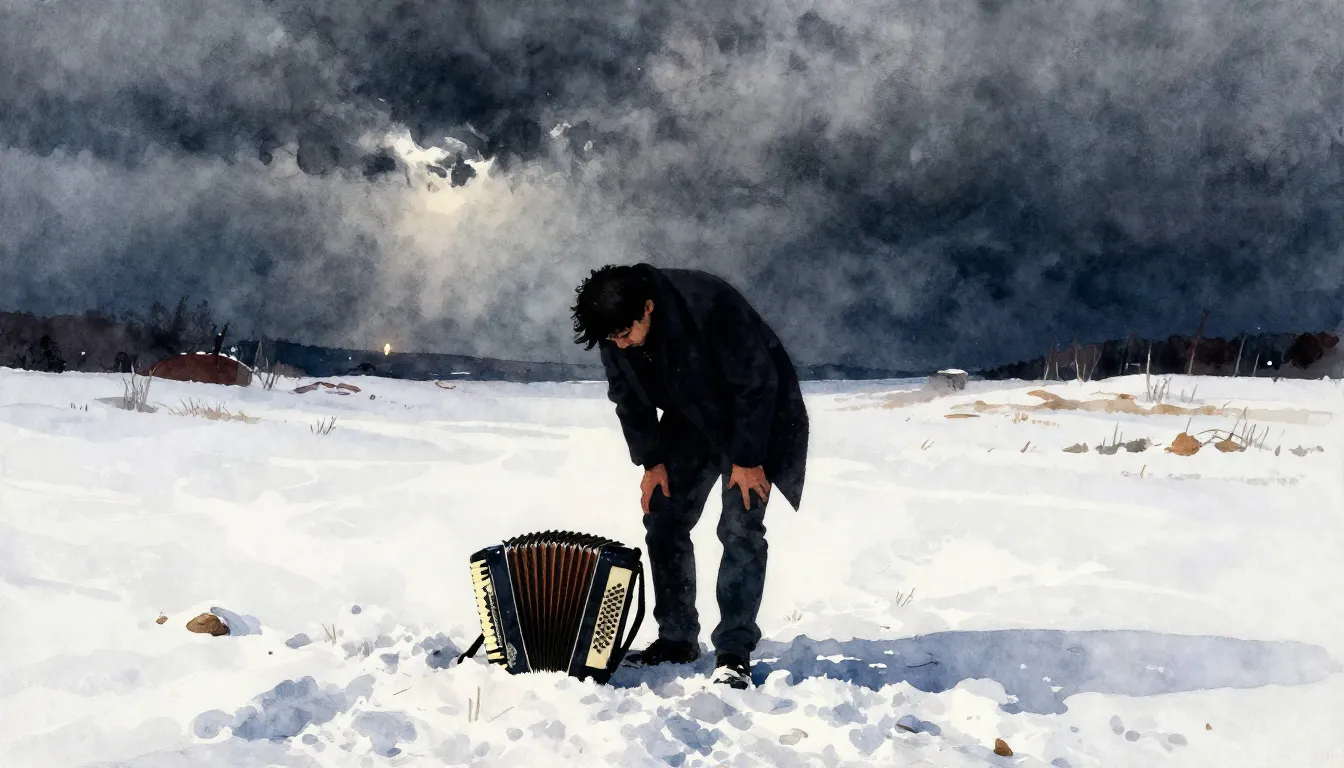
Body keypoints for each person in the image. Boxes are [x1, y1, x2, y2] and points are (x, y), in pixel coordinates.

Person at [571, 263, 809, 689]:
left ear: (648, 307)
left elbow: (757, 383)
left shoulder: (709, 301)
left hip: (756, 418)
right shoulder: (614, 329)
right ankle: (677, 639)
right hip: (691, 419)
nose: (620, 345)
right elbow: (627, 398)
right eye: (612, 339)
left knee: (740, 527)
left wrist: (748, 458)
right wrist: (651, 462)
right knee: (662, 516)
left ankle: (734, 652)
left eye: (625, 334)